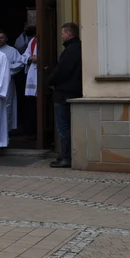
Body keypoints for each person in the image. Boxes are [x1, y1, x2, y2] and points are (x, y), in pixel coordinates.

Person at [48, 23, 82, 168]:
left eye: (63, 33)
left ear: (68, 34)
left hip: (64, 94)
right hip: (73, 92)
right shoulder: (78, 48)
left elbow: (62, 71)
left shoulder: (70, 50)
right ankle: (65, 155)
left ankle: (67, 157)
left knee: (64, 128)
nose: (61, 36)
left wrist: (49, 79)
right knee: (67, 127)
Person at [0, 31, 24, 132]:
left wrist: (7, 70)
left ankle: (6, 130)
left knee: (7, 104)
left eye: (1, 37)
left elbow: (20, 63)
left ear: (6, 38)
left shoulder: (12, 51)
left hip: (7, 81)